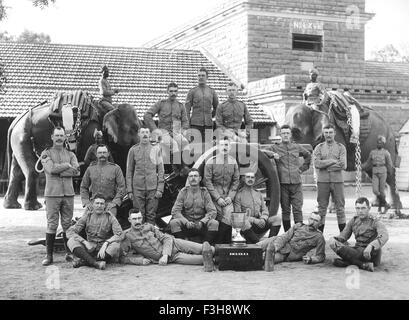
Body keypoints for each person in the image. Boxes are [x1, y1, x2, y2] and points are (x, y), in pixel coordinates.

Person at [120, 210, 215, 272]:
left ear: (142, 218)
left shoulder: (149, 226)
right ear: (129, 220)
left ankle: (221, 253)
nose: (137, 221)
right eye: (134, 219)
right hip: (173, 258)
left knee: (208, 249)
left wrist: (165, 255)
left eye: (139, 218)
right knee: (204, 259)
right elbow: (122, 258)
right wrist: (140, 261)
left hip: (175, 244)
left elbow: (166, 238)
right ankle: (220, 260)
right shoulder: (128, 236)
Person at [40, 126, 80, 266]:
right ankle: (49, 255)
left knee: (67, 225)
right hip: (52, 194)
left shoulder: (71, 154)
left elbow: (76, 172)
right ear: (52, 137)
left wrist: (60, 169)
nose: (59, 138)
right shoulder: (46, 153)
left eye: (61, 136)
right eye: (56, 135)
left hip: (68, 194)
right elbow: (50, 169)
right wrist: (66, 165)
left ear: (65, 137)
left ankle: (69, 253)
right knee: (52, 224)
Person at [263, 125, 311, 231]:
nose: (285, 135)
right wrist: (272, 155)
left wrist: (302, 169)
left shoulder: (297, 147)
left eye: (287, 133)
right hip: (283, 183)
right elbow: (263, 152)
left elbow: (308, 155)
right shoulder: (275, 147)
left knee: (298, 209)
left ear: (290, 135)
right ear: (280, 134)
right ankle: (287, 233)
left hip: (296, 182)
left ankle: (299, 233)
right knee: (285, 210)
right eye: (283, 133)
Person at [329, 197, 389, 272]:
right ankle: (362, 265)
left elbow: (384, 236)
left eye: (363, 208)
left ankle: (349, 262)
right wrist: (333, 239)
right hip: (357, 251)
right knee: (334, 244)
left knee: (339, 257)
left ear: (369, 208)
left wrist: (371, 246)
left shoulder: (375, 221)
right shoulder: (354, 220)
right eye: (358, 208)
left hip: (371, 254)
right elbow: (343, 236)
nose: (360, 211)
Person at [66, 195, 123, 270]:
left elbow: (119, 234)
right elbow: (70, 232)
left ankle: (84, 261)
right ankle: (95, 263)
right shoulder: (87, 216)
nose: (99, 206)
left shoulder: (110, 216)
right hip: (89, 247)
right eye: (97, 203)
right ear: (93, 204)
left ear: (105, 205)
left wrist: (106, 243)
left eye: (102, 204)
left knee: (116, 246)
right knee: (71, 241)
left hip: (103, 249)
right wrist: (84, 242)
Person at [144, 82, 189, 174]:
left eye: (175, 91)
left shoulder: (180, 106)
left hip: (176, 131)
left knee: (185, 142)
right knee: (174, 145)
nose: (173, 93)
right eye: (171, 91)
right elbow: (147, 115)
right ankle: (178, 169)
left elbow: (185, 121)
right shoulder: (161, 104)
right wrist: (155, 130)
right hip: (163, 132)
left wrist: (182, 131)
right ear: (167, 92)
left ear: (177, 92)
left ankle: (185, 166)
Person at [258, 212, 325, 271]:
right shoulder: (299, 226)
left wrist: (311, 259)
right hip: (276, 242)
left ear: (320, 223)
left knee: (263, 259)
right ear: (308, 219)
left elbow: (320, 256)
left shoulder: (319, 237)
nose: (312, 222)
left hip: (285, 254)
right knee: (253, 248)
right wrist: (275, 247)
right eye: (311, 219)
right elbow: (284, 237)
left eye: (316, 221)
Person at [169, 168, 219, 245]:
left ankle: (205, 245)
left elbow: (212, 211)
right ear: (188, 179)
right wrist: (185, 222)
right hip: (187, 225)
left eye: (195, 176)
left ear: (200, 178)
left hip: (202, 225)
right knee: (173, 223)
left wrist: (203, 222)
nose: (193, 178)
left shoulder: (204, 192)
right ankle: (183, 246)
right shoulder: (183, 192)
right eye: (191, 176)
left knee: (214, 223)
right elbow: (175, 211)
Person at [204, 138, 240, 243]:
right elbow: (207, 182)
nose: (224, 147)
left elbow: (236, 181)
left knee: (229, 216)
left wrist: (230, 197)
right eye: (222, 145)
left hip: (228, 197)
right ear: (217, 147)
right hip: (214, 198)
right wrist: (217, 198)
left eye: (226, 145)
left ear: (230, 147)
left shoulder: (233, 162)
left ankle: (224, 243)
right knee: (217, 218)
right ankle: (216, 244)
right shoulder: (211, 162)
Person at [126, 127, 164, 225]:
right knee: (139, 215)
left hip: (153, 188)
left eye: (147, 132)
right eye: (142, 132)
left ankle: (150, 236)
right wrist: (130, 190)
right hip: (137, 189)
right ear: (139, 134)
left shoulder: (156, 149)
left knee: (151, 215)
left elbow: (160, 170)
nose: (145, 134)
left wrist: (160, 188)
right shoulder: (133, 150)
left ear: (150, 134)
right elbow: (129, 171)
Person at [313, 124, 347, 233]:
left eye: (331, 132)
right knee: (322, 208)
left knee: (340, 208)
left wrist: (325, 165)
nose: (328, 135)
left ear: (334, 133)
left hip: (337, 181)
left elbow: (343, 165)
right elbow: (317, 164)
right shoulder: (319, 147)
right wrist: (332, 161)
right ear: (323, 133)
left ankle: (343, 236)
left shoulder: (341, 147)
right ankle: (319, 236)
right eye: (326, 132)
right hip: (323, 182)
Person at [233, 172, 281, 243]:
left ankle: (269, 243)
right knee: (244, 222)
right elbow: (238, 215)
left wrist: (263, 219)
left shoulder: (258, 194)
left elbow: (265, 210)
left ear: (254, 179)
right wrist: (254, 220)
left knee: (277, 219)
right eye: (248, 177)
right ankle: (259, 245)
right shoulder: (239, 195)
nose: (250, 179)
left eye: (252, 177)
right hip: (247, 227)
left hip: (260, 224)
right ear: (243, 179)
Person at [80, 144, 126, 217]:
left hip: (109, 203)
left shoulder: (116, 168)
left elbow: (122, 187)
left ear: (108, 154)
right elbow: (83, 187)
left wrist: (115, 202)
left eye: (104, 152)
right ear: (96, 154)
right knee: (84, 224)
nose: (102, 155)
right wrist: (87, 202)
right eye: (100, 153)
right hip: (94, 203)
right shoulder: (90, 169)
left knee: (109, 223)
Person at [185, 67, 219, 142]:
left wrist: (210, 115)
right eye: (199, 75)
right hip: (195, 124)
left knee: (208, 148)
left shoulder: (212, 92)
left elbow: (217, 107)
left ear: (207, 77)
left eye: (203, 75)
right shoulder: (192, 91)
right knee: (195, 148)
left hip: (208, 125)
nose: (200, 77)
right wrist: (188, 125)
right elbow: (186, 110)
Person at [362, 135, 393, 214]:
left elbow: (389, 164)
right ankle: (385, 204)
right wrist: (360, 166)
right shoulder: (373, 152)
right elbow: (368, 163)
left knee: (381, 191)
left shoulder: (386, 153)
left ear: (383, 144)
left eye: (381, 143)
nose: (379, 144)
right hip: (375, 171)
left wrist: (391, 173)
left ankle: (381, 207)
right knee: (375, 190)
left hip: (383, 171)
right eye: (378, 143)